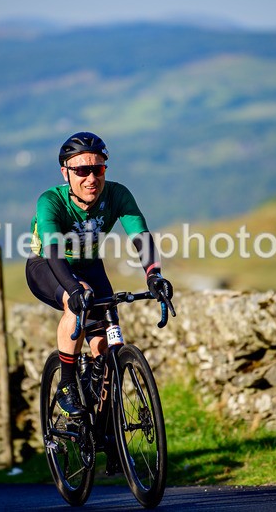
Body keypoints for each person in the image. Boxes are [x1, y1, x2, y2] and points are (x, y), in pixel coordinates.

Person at [26, 132, 173, 419]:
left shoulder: (117, 194)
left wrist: (154, 275)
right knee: (77, 300)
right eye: (82, 170)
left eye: (98, 169)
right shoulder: (50, 201)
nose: (91, 178)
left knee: (106, 345)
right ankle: (67, 384)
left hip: (91, 265)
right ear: (66, 173)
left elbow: (140, 236)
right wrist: (73, 290)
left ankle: (103, 426)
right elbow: (54, 251)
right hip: (48, 265)